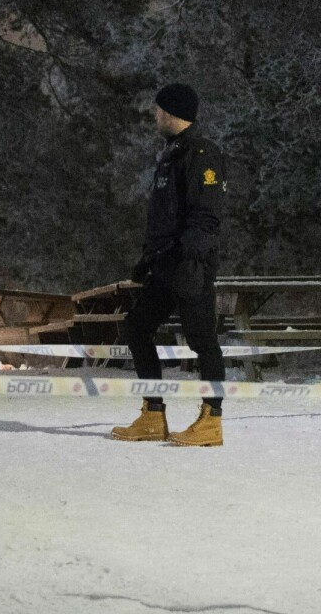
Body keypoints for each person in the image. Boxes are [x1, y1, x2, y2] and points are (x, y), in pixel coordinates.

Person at [111, 83, 227, 447]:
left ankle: (212, 420)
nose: (154, 114)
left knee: (202, 340)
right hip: (165, 265)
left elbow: (206, 216)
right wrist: (147, 259)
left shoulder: (202, 153)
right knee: (137, 329)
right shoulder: (172, 154)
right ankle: (152, 414)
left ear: (173, 112)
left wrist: (187, 257)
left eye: (159, 109)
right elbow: (165, 215)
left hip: (189, 266)